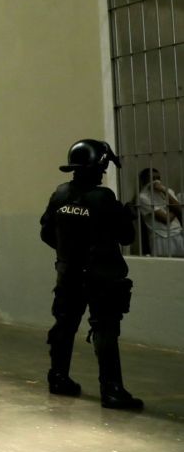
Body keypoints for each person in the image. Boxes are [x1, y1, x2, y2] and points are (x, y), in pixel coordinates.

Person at [40, 139, 142, 410]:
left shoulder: (60, 194)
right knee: (105, 329)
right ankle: (112, 389)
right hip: (101, 276)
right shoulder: (103, 197)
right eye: (104, 166)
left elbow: (47, 233)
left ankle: (59, 378)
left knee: (64, 326)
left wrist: (70, 255)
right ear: (97, 166)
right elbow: (127, 237)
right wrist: (126, 215)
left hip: (68, 273)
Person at [136, 167, 184, 257]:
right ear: (144, 182)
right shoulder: (143, 197)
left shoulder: (167, 191)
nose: (156, 181)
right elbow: (166, 219)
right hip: (160, 237)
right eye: (152, 179)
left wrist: (164, 191)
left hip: (177, 234)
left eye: (158, 178)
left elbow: (179, 211)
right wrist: (176, 208)